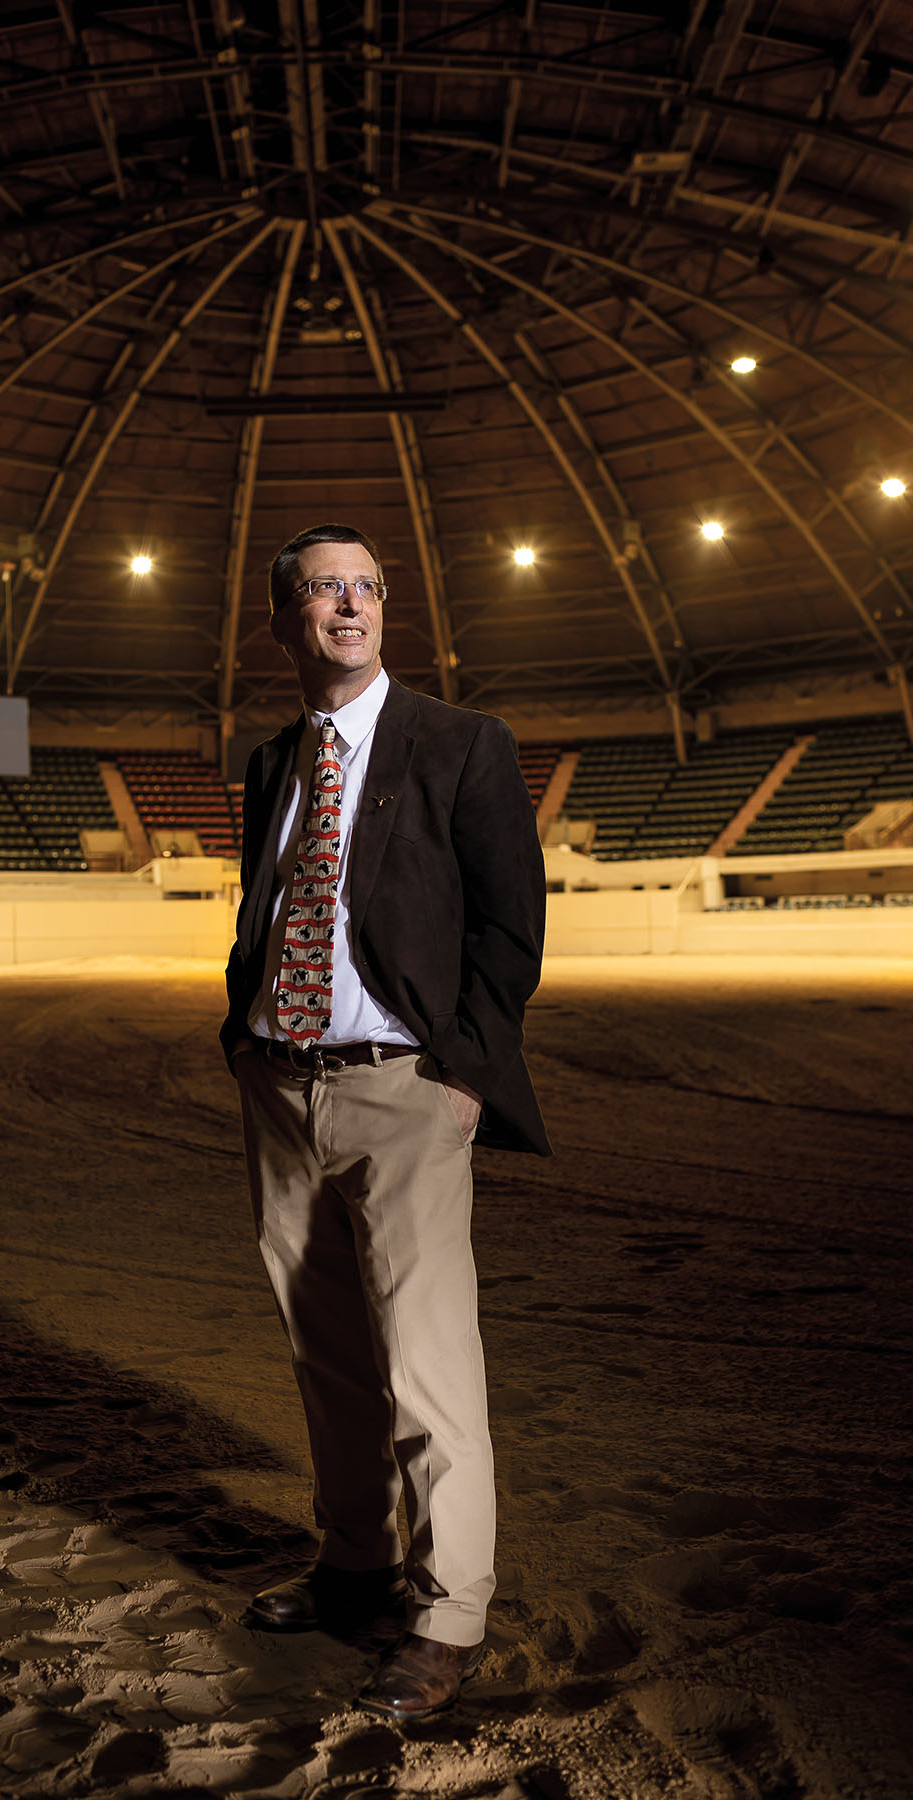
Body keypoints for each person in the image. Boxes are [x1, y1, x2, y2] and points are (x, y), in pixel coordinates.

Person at [221, 523, 549, 1722]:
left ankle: (446, 1610)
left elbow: (510, 932)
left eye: (364, 589)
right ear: (284, 619)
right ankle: (354, 1565)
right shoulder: (272, 760)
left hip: (405, 1087)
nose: (348, 608)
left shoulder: (463, 744)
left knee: (427, 1360)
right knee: (328, 1357)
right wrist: (244, 1034)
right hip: (279, 1082)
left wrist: (460, 1075)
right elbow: (266, 910)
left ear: (384, 611)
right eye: (322, 592)